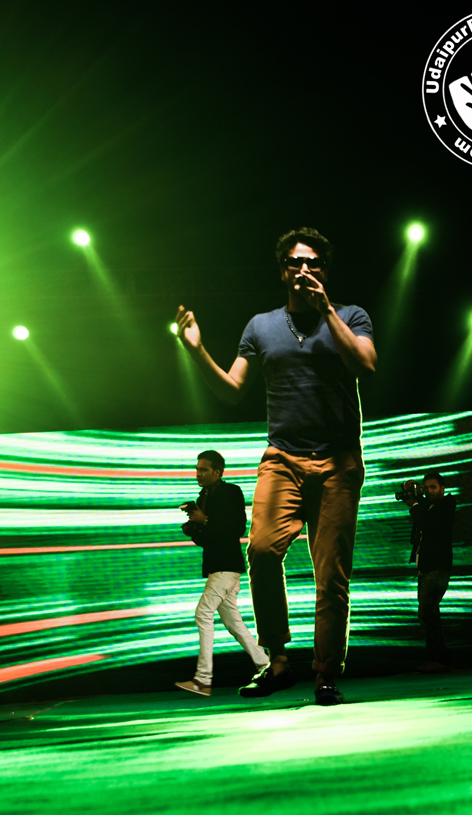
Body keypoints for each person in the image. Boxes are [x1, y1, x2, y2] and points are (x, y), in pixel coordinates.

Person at [175, 226, 376, 705]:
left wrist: (327, 311)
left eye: (313, 262)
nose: (303, 269)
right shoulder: (260, 326)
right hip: (282, 457)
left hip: (338, 460)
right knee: (262, 551)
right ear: (282, 271)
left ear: (324, 270)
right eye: (294, 262)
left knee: (331, 574)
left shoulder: (350, 315)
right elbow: (231, 390)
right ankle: (278, 661)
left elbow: (365, 365)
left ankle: (325, 673)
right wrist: (196, 350)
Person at [175, 450, 268, 696]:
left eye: (203, 469)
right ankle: (266, 665)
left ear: (217, 472)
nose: (198, 474)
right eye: (197, 469)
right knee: (234, 623)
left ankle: (202, 680)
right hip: (218, 567)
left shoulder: (231, 492)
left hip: (227, 567)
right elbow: (208, 539)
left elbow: (236, 529)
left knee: (203, 614)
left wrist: (204, 521)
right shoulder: (203, 497)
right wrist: (195, 529)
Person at [402, 471, 456, 673]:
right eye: (426, 488)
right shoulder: (429, 506)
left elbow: (427, 524)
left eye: (433, 487)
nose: (429, 491)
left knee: (426, 613)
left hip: (436, 568)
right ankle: (440, 659)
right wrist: (409, 487)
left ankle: (438, 659)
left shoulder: (446, 505)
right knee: (430, 614)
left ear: (442, 488)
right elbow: (417, 504)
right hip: (427, 569)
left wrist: (415, 505)